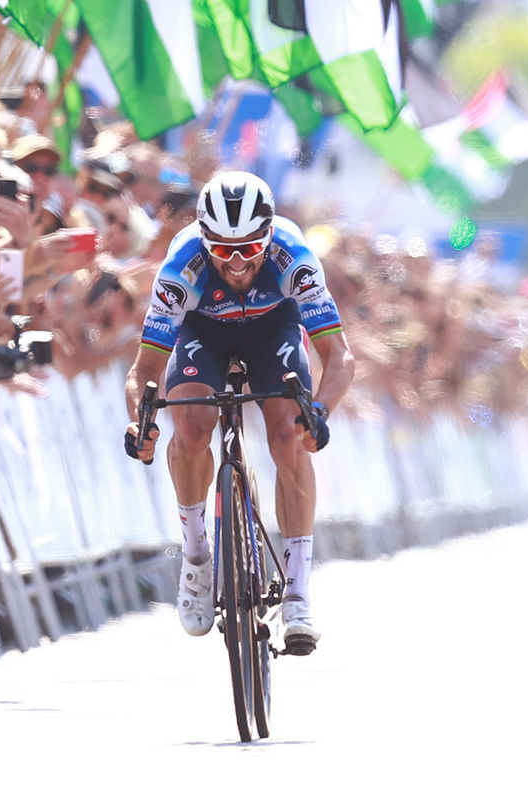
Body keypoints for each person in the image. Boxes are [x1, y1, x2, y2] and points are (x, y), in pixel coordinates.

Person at [124, 171, 355, 655]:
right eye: (222, 250)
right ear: (203, 238)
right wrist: (139, 422)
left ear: (268, 238)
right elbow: (144, 369)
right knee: (188, 424)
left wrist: (320, 412)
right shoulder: (179, 271)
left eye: (249, 249)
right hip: (203, 331)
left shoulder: (295, 262)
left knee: (289, 436)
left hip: (274, 329)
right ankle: (196, 557)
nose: (234, 263)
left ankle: (296, 592)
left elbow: (339, 359)